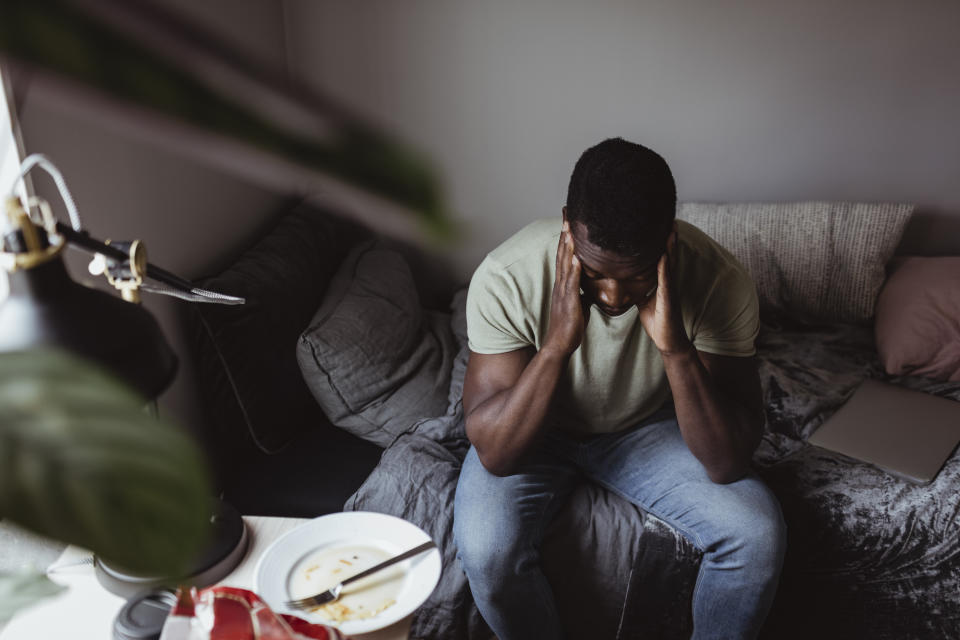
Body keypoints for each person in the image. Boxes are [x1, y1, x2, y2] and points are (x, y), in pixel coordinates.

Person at [452, 138, 787, 640]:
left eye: (635, 277)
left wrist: (675, 348)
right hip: (535, 433)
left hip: (644, 429)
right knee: (485, 549)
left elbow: (727, 460)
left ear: (668, 240)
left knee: (757, 535)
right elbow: (497, 455)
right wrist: (556, 348)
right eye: (594, 273)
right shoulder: (507, 276)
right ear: (568, 223)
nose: (613, 296)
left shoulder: (718, 279)